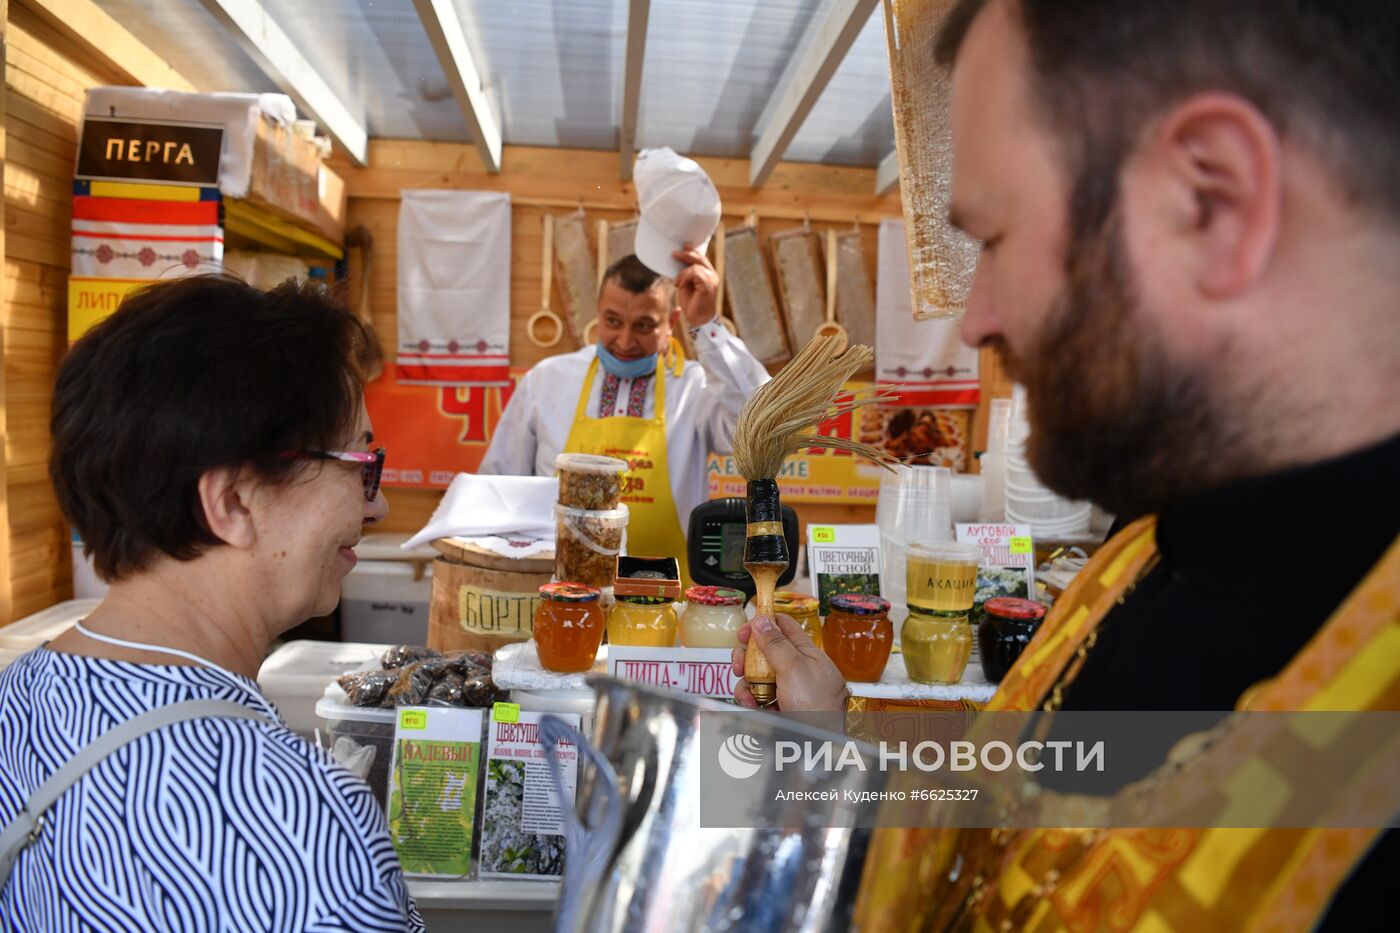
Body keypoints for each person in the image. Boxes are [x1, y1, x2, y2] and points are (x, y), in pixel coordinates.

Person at [733, 0, 1399, 928]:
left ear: (1213, 202)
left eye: (996, 240)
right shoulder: (1145, 553)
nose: (976, 321)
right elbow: (1014, 860)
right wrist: (824, 729)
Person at [0, 276, 423, 930]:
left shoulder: (14, 701)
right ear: (233, 502)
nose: (378, 505)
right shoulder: (300, 821)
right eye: (362, 461)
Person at [480, 251, 769, 585]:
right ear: (598, 313)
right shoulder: (548, 380)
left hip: (665, 604)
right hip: (559, 597)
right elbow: (500, 486)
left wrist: (706, 326)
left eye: (644, 325)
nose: (626, 341)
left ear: (671, 322)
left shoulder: (694, 387)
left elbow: (758, 418)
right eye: (613, 322)